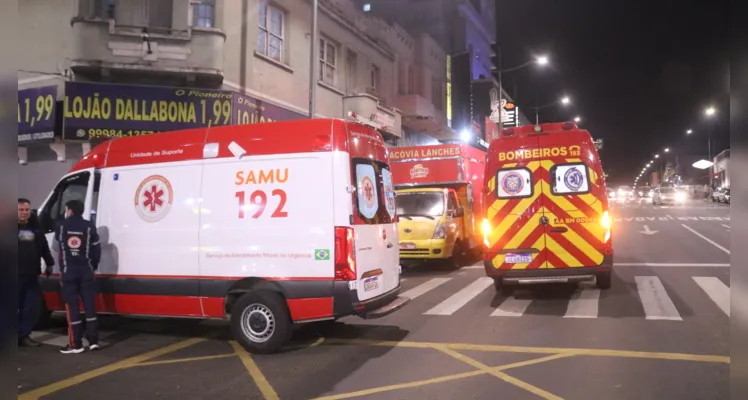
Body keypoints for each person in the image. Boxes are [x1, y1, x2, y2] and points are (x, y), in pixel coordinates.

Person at [57, 199, 102, 354]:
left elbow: (58, 244)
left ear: (69, 210)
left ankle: (76, 344)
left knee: (73, 308)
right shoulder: (89, 226)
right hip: (86, 271)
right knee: (90, 306)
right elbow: (97, 250)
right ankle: (93, 340)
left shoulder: (62, 226)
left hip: (69, 272)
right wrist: (93, 267)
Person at [18, 198, 55, 347]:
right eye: (21, 210)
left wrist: (50, 263)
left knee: (29, 307)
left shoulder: (35, 227)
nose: (25, 213)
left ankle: (24, 336)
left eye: (27, 210)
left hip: (31, 274)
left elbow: (44, 246)